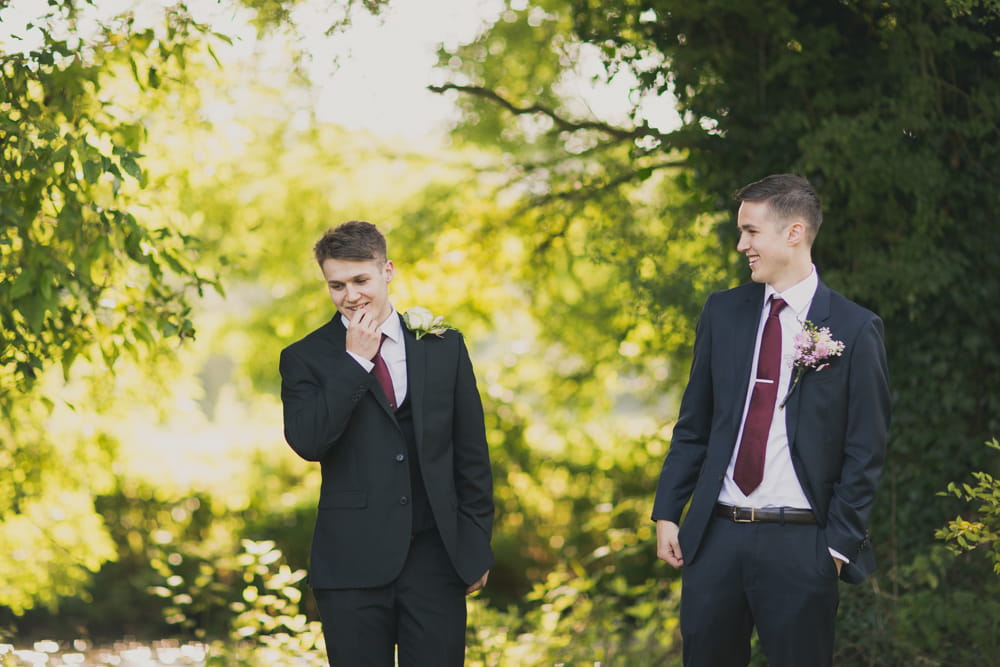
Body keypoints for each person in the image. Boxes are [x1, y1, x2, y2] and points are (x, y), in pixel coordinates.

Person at [651, 174, 891, 666]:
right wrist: (668, 511)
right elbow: (693, 423)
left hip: (803, 545)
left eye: (751, 231)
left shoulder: (854, 327)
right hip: (715, 538)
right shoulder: (723, 312)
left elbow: (866, 448)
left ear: (794, 233)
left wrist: (837, 547)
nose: (741, 245)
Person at [279, 220, 493, 666]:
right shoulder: (304, 357)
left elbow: (471, 454)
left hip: (436, 561)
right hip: (350, 565)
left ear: (387, 271)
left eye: (361, 280)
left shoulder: (443, 346)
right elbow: (308, 441)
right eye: (336, 285)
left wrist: (474, 545)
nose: (350, 295)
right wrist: (355, 359)